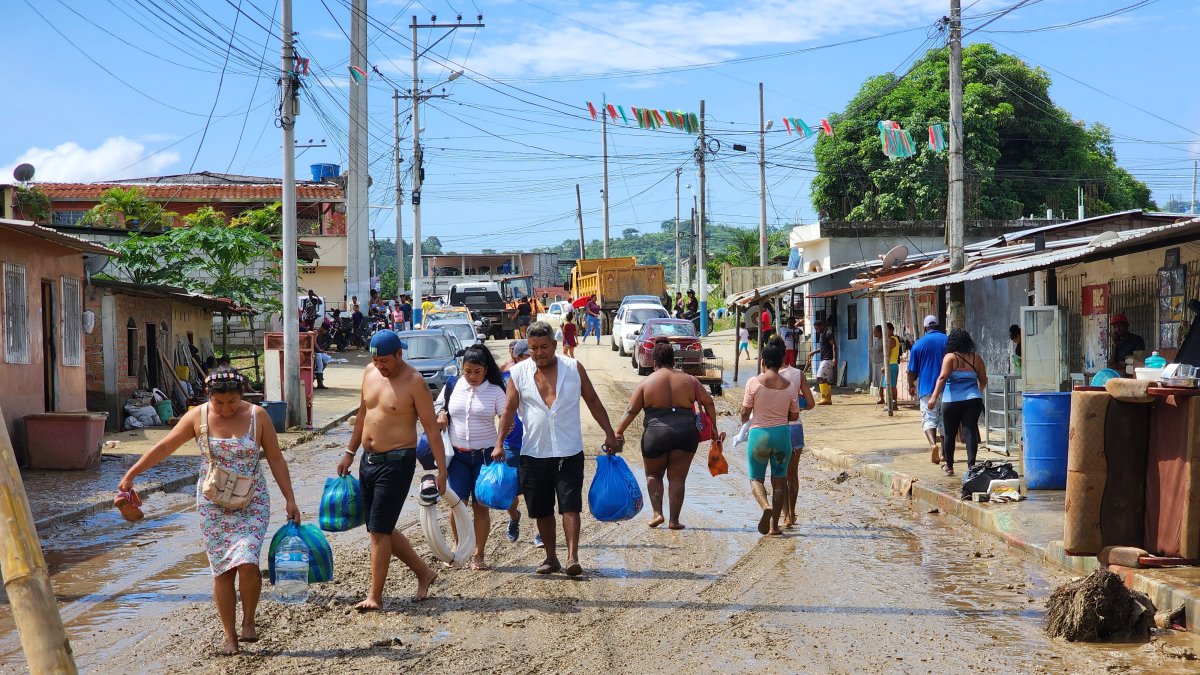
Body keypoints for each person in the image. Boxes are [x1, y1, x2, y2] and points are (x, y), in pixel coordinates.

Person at [118, 367, 300, 655]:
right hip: (213, 504)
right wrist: (132, 474)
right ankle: (229, 636)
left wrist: (290, 499)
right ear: (208, 396)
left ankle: (249, 620)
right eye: (219, 402)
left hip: (252, 502)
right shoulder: (196, 417)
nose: (226, 409)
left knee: (247, 560)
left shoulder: (258, 416)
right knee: (222, 569)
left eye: (232, 402)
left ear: (242, 395)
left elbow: (276, 459)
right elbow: (165, 446)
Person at [495, 321, 620, 577]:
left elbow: (593, 399)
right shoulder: (518, 373)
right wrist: (499, 444)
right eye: (533, 348)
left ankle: (572, 557)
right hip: (533, 452)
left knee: (570, 505)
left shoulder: (573, 368)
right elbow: (508, 409)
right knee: (541, 509)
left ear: (554, 344)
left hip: (569, 450)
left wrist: (609, 432)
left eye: (544, 347)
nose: (539, 352)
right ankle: (551, 558)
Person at [337, 331, 447, 610]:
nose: (380, 366)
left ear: (399, 354)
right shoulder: (369, 372)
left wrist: (441, 471)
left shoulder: (414, 382)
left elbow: (431, 429)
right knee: (377, 527)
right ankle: (424, 572)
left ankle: (375, 596)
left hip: (397, 462)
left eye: (385, 361)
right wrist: (350, 452)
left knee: (379, 531)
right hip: (368, 460)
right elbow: (363, 414)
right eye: (376, 360)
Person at [614, 339, 718, 530]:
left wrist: (618, 431)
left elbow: (631, 411)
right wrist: (714, 428)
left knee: (653, 475)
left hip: (656, 434)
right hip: (685, 433)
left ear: (654, 362)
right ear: (673, 360)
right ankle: (674, 521)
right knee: (677, 478)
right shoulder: (690, 380)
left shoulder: (646, 383)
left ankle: (657, 513)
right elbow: (708, 402)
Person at [435, 345, 507, 570]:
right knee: (457, 504)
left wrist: (501, 441)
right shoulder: (452, 386)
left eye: (477, 371)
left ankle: (479, 553)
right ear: (462, 368)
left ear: (486, 369)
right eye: (468, 371)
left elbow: (506, 418)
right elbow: (438, 406)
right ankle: (458, 547)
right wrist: (441, 414)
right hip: (457, 457)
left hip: (485, 457)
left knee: (480, 506)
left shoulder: (495, 391)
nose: (472, 376)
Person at [741, 338, 799, 536]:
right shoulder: (789, 386)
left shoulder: (753, 383)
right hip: (782, 436)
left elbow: (744, 412)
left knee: (756, 478)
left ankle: (765, 506)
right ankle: (774, 526)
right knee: (779, 480)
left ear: (763, 362)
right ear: (782, 361)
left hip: (759, 435)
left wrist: (745, 422)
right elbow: (794, 416)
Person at [927, 328, 988, 476]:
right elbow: (983, 379)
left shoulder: (950, 357)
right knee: (970, 431)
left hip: (952, 401)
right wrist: (977, 392)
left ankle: (949, 466)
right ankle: (971, 466)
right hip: (973, 400)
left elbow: (942, 378)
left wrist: (933, 397)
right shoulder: (976, 358)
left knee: (950, 433)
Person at [776, 336, 815, 529]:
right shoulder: (798, 374)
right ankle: (792, 514)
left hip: (776, 428)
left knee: (780, 475)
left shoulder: (766, 376)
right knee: (793, 474)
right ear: (785, 354)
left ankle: (784, 515)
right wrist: (798, 406)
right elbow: (811, 403)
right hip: (795, 427)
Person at [501, 340, 534, 545]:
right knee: (510, 492)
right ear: (518, 357)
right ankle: (514, 518)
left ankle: (540, 532)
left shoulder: (542, 375)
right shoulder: (506, 376)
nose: (532, 359)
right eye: (527, 356)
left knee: (537, 489)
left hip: (536, 442)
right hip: (512, 442)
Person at [907, 315, 948, 466]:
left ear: (925, 328)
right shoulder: (948, 340)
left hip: (926, 389)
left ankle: (932, 444)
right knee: (945, 420)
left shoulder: (918, 344)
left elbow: (911, 370)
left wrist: (911, 385)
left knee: (929, 419)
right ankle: (944, 453)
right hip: (947, 388)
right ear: (938, 325)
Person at [814, 319, 837, 405]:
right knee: (824, 379)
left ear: (821, 326)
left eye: (817, 328)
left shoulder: (828, 334)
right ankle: (828, 398)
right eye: (815, 329)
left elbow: (834, 345)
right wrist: (814, 352)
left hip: (828, 359)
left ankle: (824, 397)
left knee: (820, 378)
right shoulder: (821, 335)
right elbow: (822, 348)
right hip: (823, 359)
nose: (816, 330)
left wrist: (834, 358)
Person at [885, 322, 900, 411]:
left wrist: (885, 365)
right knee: (892, 386)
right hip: (893, 364)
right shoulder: (896, 339)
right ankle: (893, 403)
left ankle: (893, 403)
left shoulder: (891, 339)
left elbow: (888, 354)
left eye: (887, 330)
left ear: (891, 330)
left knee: (891, 386)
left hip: (891, 364)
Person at [869, 325, 884, 404]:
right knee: (878, 381)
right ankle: (882, 398)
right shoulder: (875, 340)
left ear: (879, 332)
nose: (874, 333)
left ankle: (887, 398)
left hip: (881, 362)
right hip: (875, 362)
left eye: (875, 331)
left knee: (883, 381)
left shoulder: (883, 340)